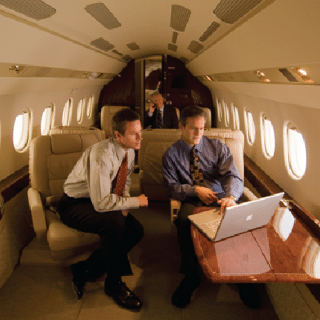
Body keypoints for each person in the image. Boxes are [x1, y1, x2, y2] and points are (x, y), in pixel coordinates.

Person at [162, 106, 260, 309]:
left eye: (202, 128)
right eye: (192, 128)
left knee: (239, 224)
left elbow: (232, 176)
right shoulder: (170, 155)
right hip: (192, 199)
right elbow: (171, 188)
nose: (198, 133)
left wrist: (232, 196)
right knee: (183, 223)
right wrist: (194, 190)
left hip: (222, 196)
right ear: (180, 127)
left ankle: (241, 277)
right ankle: (191, 276)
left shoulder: (217, 147)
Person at [57, 108, 148, 311]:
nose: (140, 137)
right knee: (113, 223)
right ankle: (113, 284)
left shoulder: (130, 150)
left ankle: (84, 268)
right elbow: (100, 203)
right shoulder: (101, 155)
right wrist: (135, 202)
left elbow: (124, 182)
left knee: (135, 230)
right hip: (74, 204)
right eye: (135, 133)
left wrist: (124, 202)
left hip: (100, 199)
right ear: (118, 135)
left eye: (140, 131)